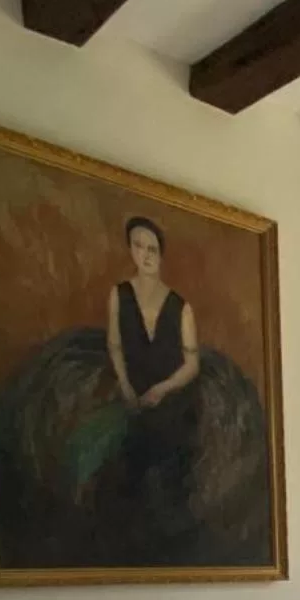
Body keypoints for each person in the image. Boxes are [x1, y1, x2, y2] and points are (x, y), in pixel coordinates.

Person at [104, 216, 202, 542]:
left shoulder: (181, 307)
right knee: (120, 440)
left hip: (170, 394)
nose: (145, 254)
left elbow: (191, 364)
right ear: (130, 249)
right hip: (132, 391)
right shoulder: (119, 296)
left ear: (161, 254)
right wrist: (126, 387)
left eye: (152, 248)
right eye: (138, 246)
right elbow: (115, 346)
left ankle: (169, 529)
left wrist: (162, 389)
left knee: (169, 436)